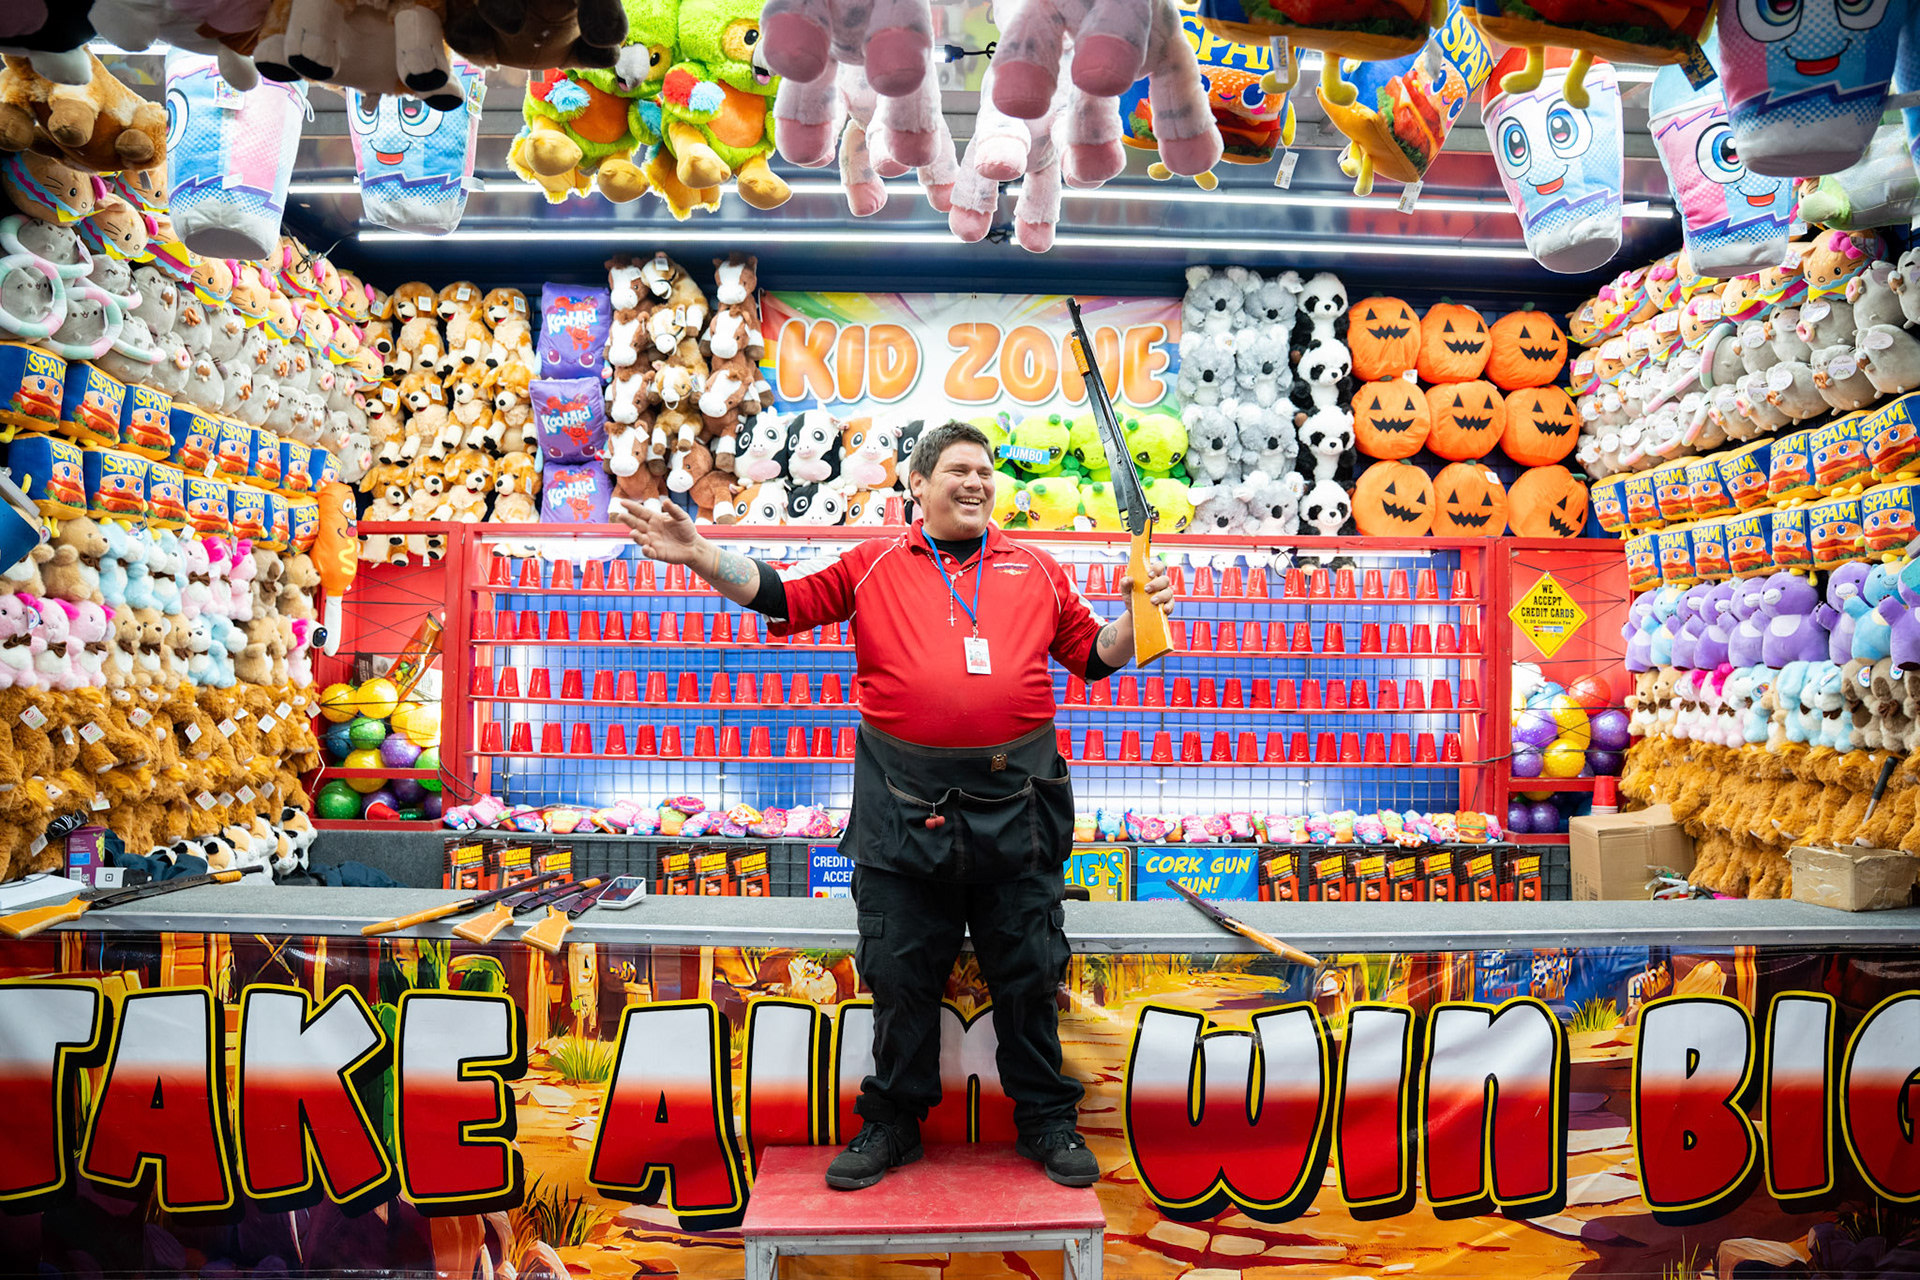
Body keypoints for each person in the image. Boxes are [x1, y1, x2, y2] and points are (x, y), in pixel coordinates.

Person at [615, 421, 1174, 1191]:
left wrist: (1139, 617)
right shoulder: (872, 561)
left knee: (1028, 971)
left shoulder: (1037, 567)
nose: (976, 482)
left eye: (985, 470)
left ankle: (1046, 1118)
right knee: (901, 975)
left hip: (1020, 809)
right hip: (901, 813)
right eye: (957, 470)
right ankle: (893, 1124)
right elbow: (782, 595)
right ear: (917, 484)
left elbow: (1092, 655)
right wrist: (704, 555)